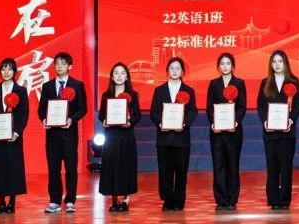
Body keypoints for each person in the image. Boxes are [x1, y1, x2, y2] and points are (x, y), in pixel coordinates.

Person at [38, 52, 88, 214]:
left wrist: (72, 119)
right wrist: (44, 119)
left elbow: (83, 109)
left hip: (69, 135)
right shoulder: (47, 86)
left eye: (63, 63)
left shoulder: (77, 85)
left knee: (71, 168)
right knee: (53, 169)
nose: (59, 66)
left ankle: (70, 201)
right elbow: (41, 109)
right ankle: (54, 201)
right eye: (57, 63)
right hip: (52, 135)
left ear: (70, 66)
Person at [150, 57, 198, 211]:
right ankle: (167, 200)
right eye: (172, 68)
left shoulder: (189, 91)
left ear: (182, 71)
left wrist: (184, 123)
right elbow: (154, 111)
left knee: (181, 172)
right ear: (167, 71)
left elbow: (193, 111)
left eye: (178, 68)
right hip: (164, 138)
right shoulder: (159, 90)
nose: (175, 71)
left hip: (181, 138)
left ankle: (179, 201)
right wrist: (160, 123)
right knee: (165, 171)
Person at [257, 50, 299, 210]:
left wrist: (291, 120)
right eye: (274, 61)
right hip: (270, 133)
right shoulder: (265, 82)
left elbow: (298, 104)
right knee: (272, 167)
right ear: (271, 64)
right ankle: (273, 200)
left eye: (280, 61)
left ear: (285, 63)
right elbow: (260, 106)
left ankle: (284, 200)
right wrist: (265, 121)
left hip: (287, 132)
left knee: (286, 167)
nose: (277, 64)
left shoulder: (294, 81)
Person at [0, 58, 30, 214]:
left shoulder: (21, 91)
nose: (6, 72)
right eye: (3, 69)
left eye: (9, 69)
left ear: (14, 72)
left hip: (14, 138)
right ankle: (1, 202)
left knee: (13, 168)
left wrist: (16, 132)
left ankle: (11, 203)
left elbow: (24, 114)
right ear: (0, 71)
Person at [98, 63, 142, 212]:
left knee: (126, 166)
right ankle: (114, 200)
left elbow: (138, 115)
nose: (119, 76)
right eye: (116, 73)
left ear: (127, 76)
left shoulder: (133, 95)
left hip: (126, 135)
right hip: (111, 136)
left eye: (122, 73)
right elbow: (101, 114)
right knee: (112, 166)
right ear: (111, 76)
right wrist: (104, 120)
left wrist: (129, 122)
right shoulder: (106, 95)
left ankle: (126, 200)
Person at [206, 53, 247, 210]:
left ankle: (232, 199)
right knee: (218, 165)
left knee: (232, 165)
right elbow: (209, 106)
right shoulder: (213, 84)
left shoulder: (239, 83)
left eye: (228, 63)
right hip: (217, 132)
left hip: (234, 132)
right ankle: (221, 199)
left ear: (233, 66)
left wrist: (235, 121)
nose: (225, 66)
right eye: (222, 63)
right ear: (218, 66)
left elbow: (242, 106)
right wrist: (213, 122)